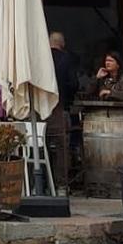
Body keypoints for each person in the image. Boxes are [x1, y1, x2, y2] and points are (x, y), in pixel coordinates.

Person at [46, 31, 80, 192]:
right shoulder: (66, 59)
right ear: (62, 43)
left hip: (41, 109)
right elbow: (73, 83)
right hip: (61, 107)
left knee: (41, 146)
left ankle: (43, 183)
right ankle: (61, 185)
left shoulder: (41, 59)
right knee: (62, 147)